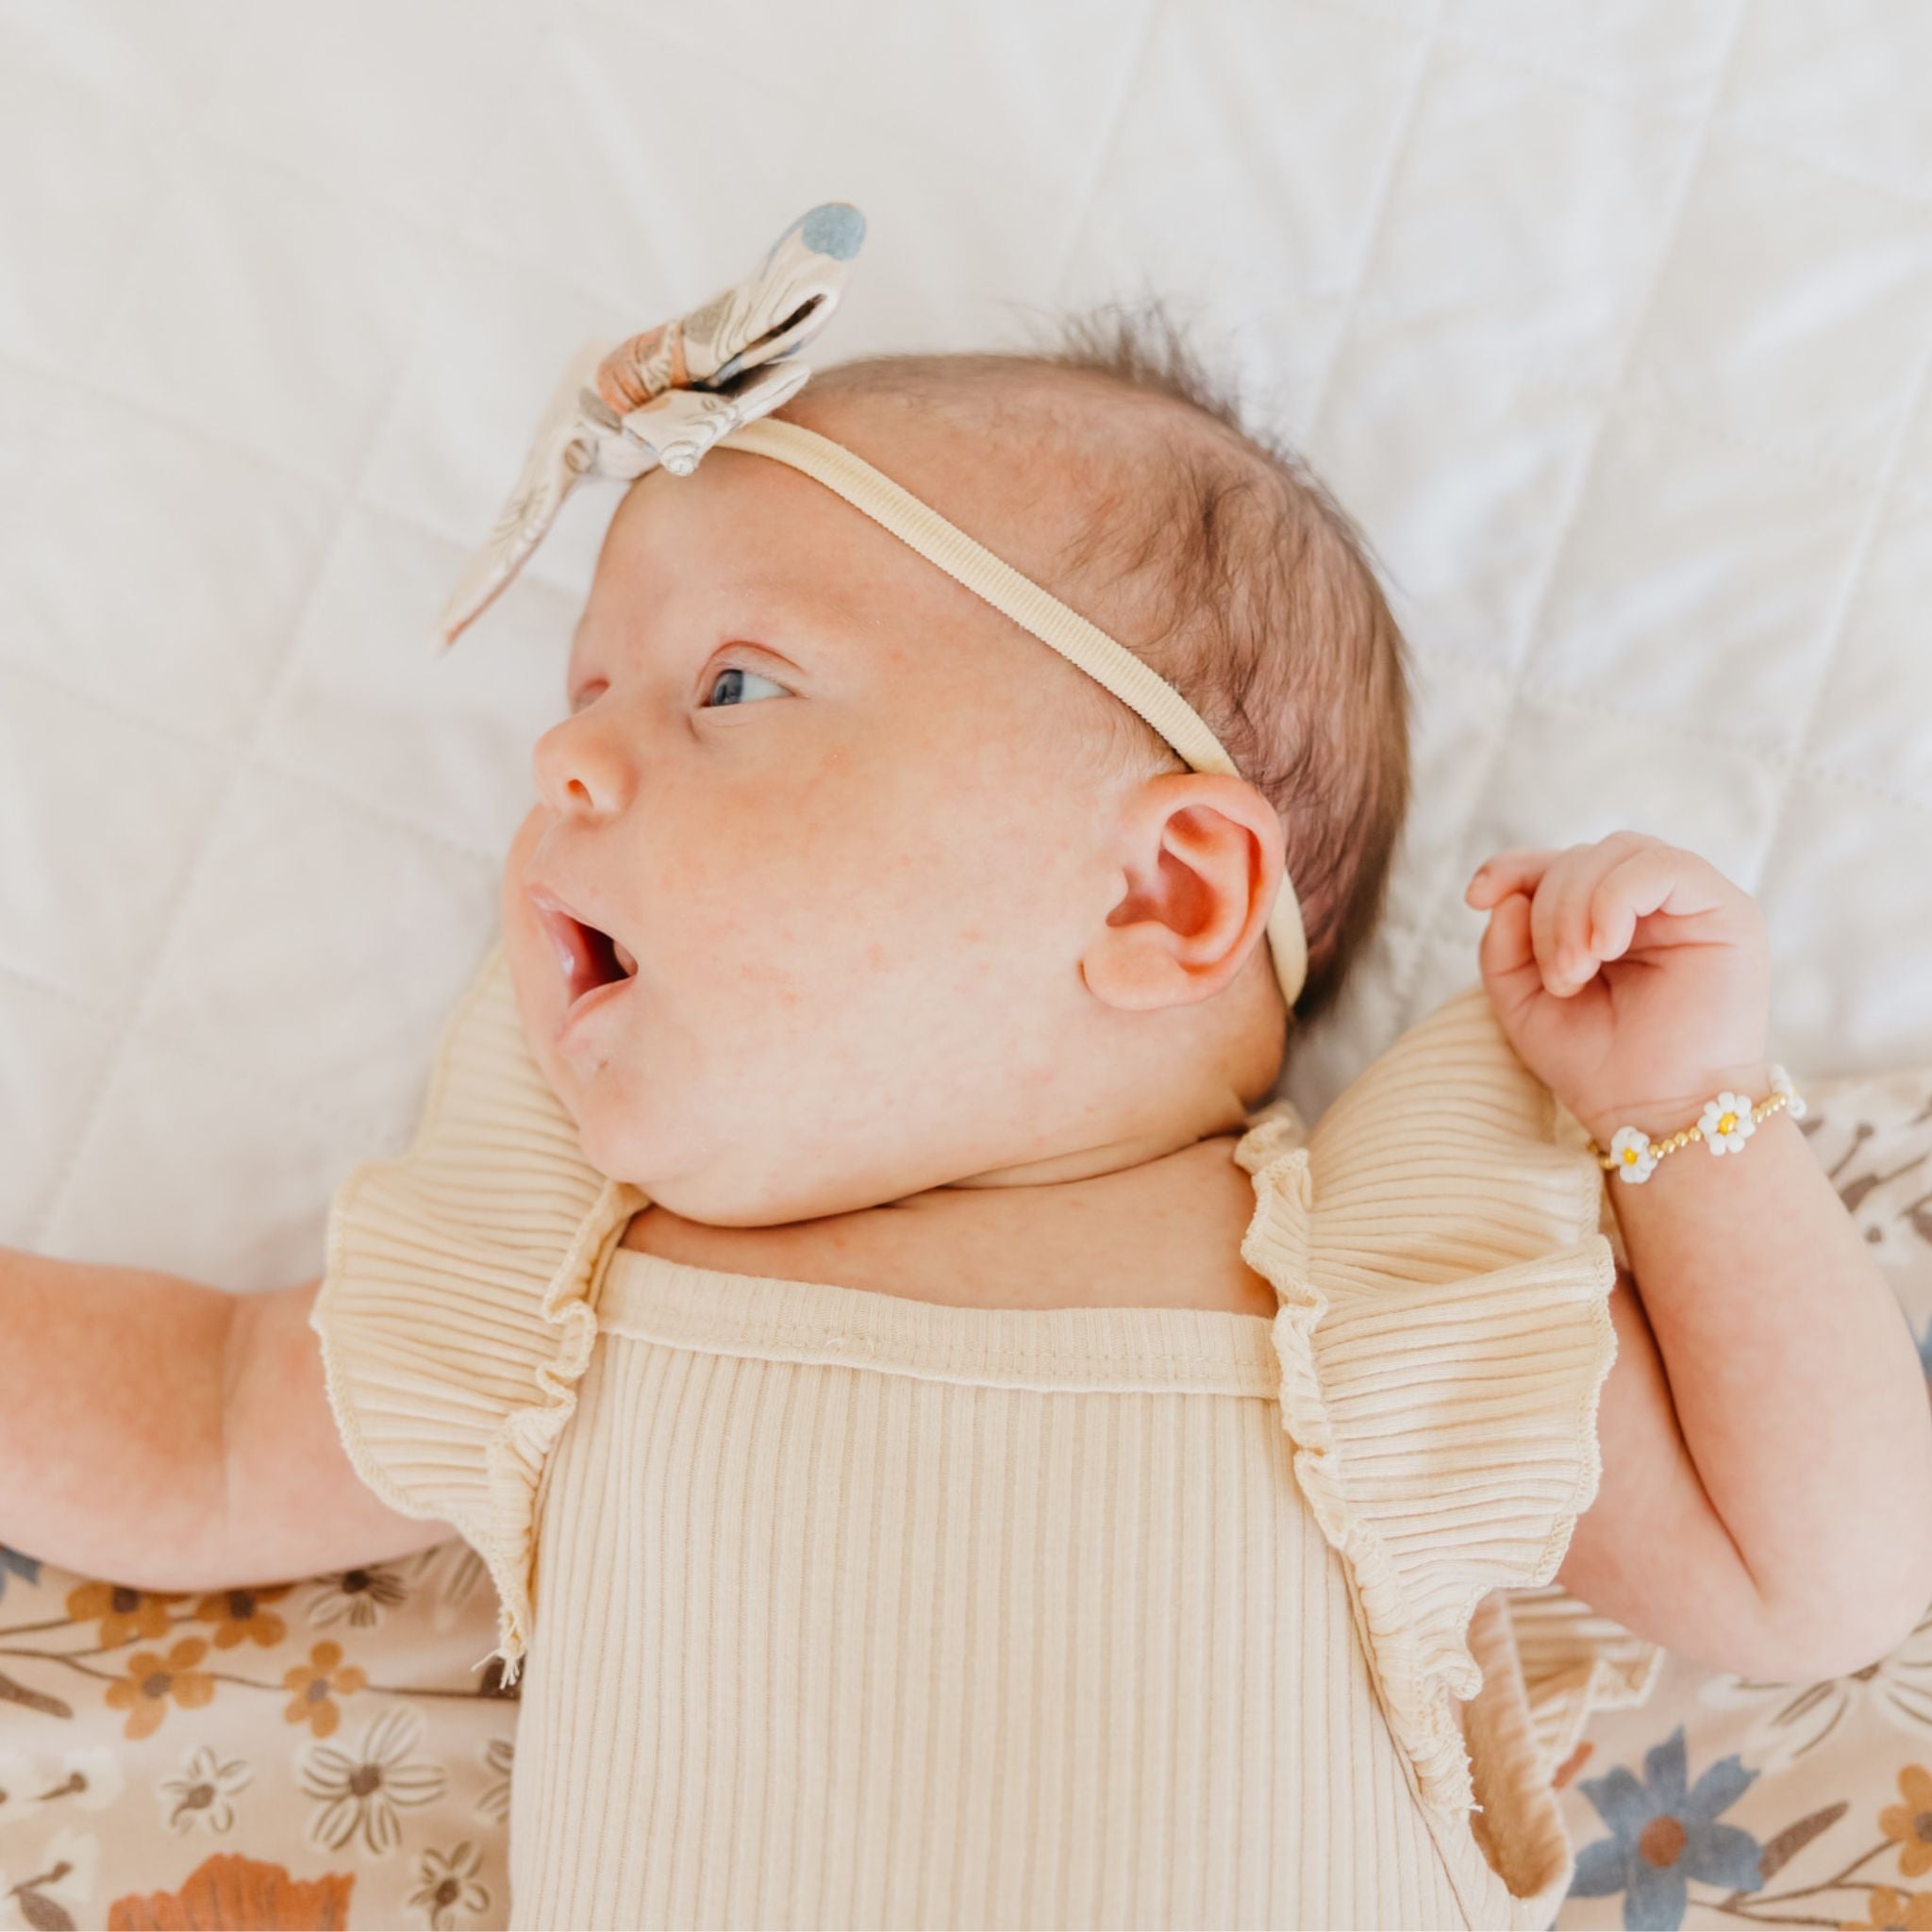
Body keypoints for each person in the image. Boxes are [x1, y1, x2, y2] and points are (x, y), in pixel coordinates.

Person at [5, 217, 1927, 1929]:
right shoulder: (558, 1293)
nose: (564, 766)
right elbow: (205, 1421)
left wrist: (1684, 1115)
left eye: (731, 685)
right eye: (580, 697)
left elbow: (1815, 1578)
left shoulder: (1365, 1295)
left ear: (1165, 894)